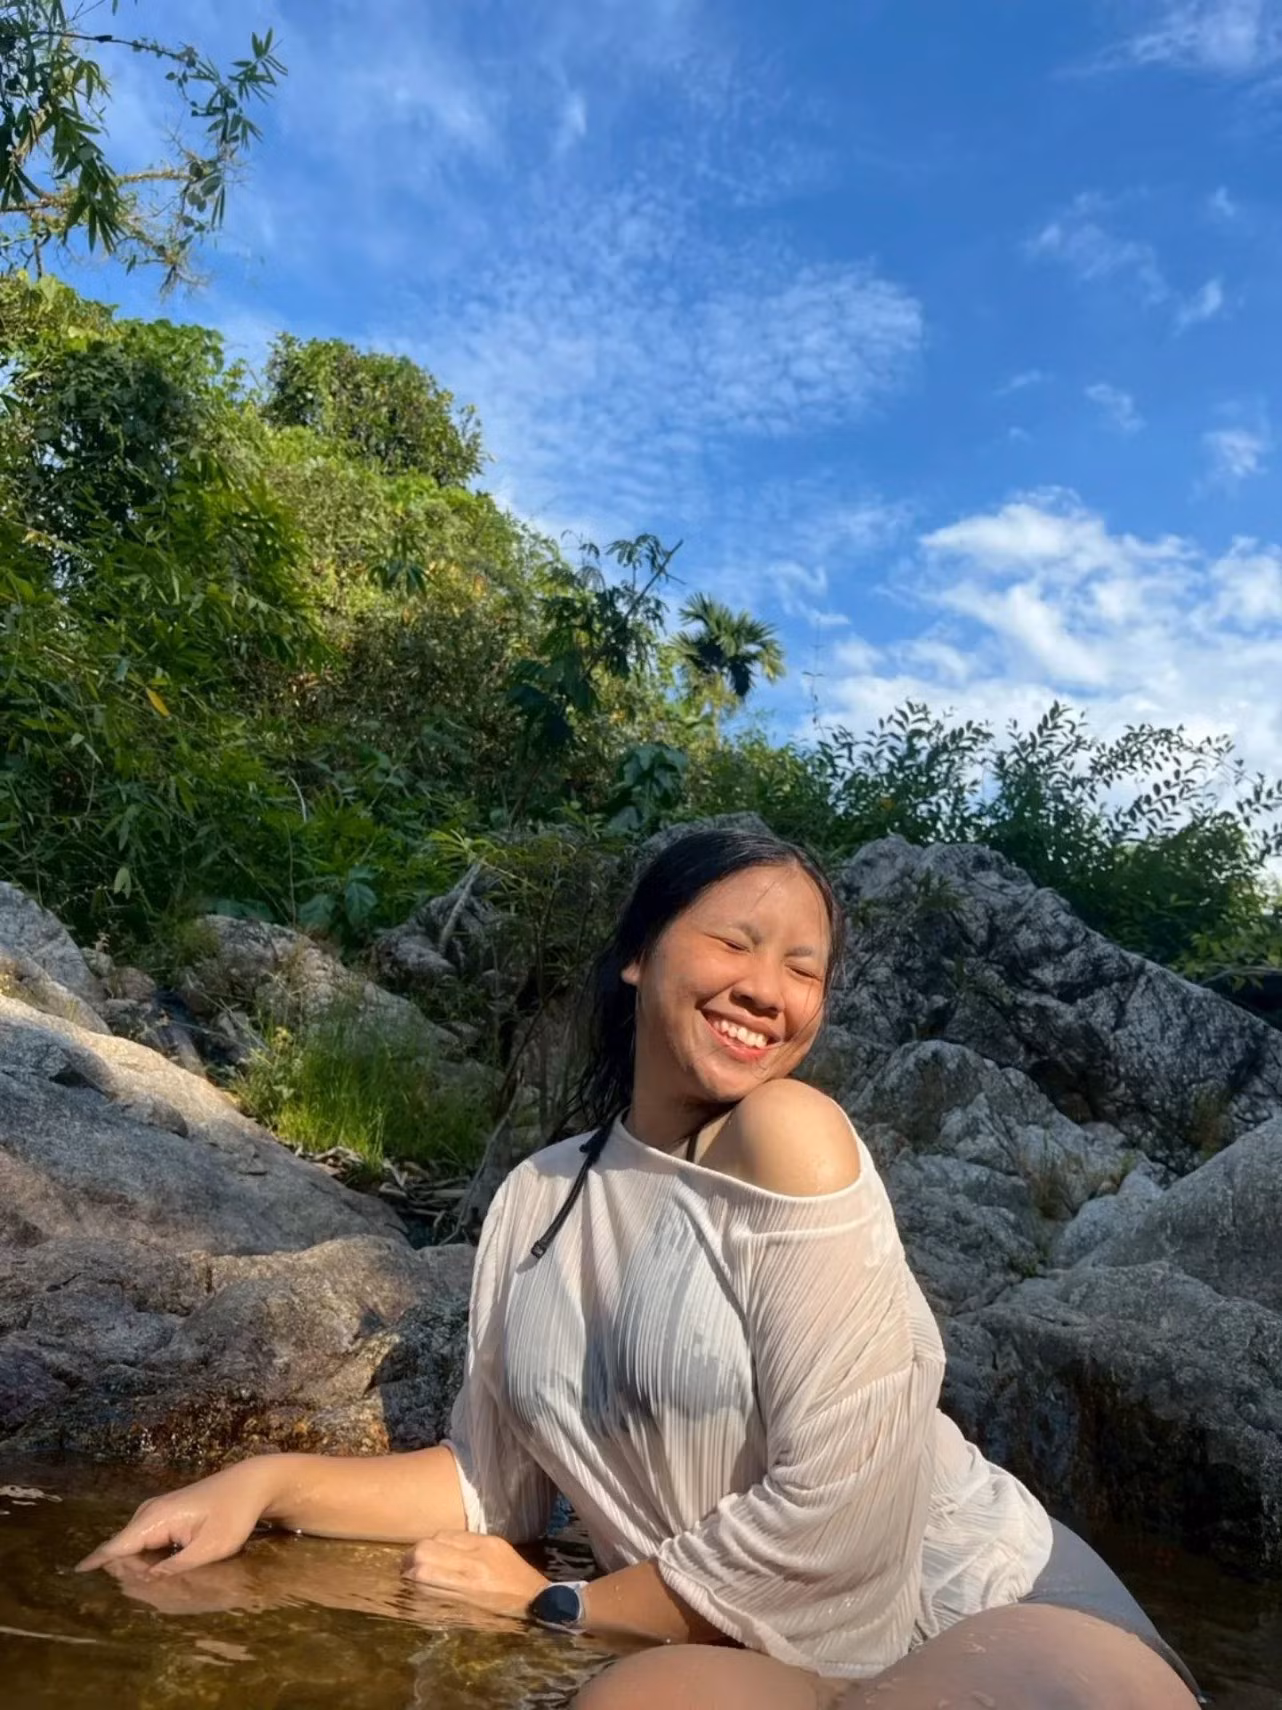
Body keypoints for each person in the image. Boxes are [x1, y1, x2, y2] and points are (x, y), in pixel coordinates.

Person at [78, 826, 1204, 1709]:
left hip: (987, 1606)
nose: (767, 989)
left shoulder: (788, 1135)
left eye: (803, 968)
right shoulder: (538, 1196)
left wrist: (561, 1604)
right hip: (747, 1637)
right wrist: (263, 1484)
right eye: (734, 942)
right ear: (637, 955)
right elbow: (492, 1485)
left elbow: (842, 1510)